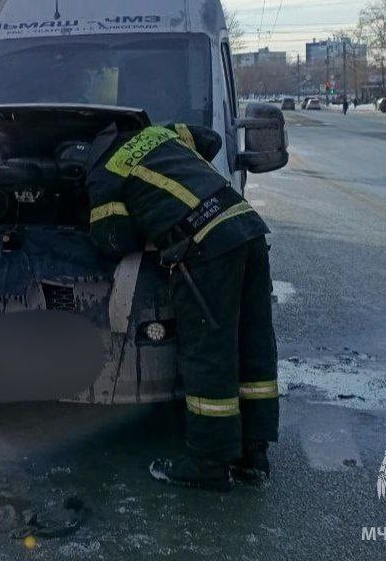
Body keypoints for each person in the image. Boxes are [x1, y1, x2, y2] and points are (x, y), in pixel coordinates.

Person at [86, 119, 277, 492]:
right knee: (253, 343)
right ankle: (254, 455)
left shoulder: (103, 172)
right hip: (247, 227)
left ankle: (209, 462)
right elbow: (210, 139)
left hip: (206, 246)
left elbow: (114, 239)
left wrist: (146, 217)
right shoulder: (161, 132)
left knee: (209, 352)